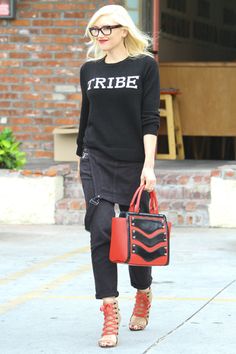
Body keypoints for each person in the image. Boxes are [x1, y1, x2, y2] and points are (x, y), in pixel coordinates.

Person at [76, 4, 160, 348]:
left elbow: (149, 118)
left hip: (133, 161)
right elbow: (87, 115)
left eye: (107, 29)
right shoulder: (89, 69)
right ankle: (109, 309)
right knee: (100, 231)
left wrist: (149, 165)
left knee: (135, 234)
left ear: (124, 29)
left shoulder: (144, 66)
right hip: (95, 158)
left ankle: (143, 290)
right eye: (96, 30)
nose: (101, 35)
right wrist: (81, 153)